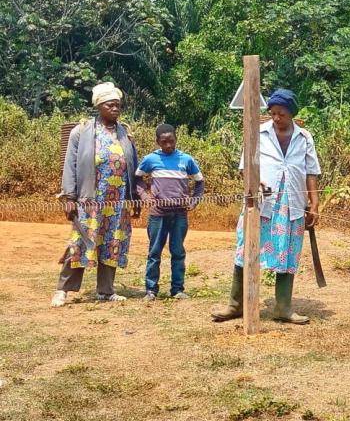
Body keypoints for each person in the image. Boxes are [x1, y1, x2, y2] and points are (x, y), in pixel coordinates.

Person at [211, 88, 321, 324]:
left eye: (281, 113)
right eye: (272, 113)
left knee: (288, 253)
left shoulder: (305, 137)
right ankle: (236, 304)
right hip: (260, 203)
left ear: (291, 113)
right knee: (246, 249)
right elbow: (244, 167)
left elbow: (311, 171)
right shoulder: (258, 134)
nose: (276, 118)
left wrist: (315, 202)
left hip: (292, 203)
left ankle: (283, 307)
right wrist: (255, 180)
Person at [51, 82, 139, 307]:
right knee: (81, 242)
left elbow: (133, 167)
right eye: (111, 105)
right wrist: (69, 198)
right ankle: (63, 290)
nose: (116, 109)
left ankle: (106, 291)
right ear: (99, 106)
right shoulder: (81, 132)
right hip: (90, 201)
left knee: (113, 243)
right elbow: (69, 165)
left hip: (118, 203)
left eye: (118, 105)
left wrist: (135, 198)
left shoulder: (124, 133)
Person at [135, 124, 205, 300]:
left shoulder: (186, 159)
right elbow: (137, 179)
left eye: (171, 141)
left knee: (178, 252)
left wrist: (194, 200)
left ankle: (177, 290)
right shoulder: (151, 159)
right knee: (154, 253)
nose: (168, 145)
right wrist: (145, 196)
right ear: (157, 141)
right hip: (158, 214)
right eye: (164, 142)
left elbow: (200, 182)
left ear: (176, 139)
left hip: (179, 214)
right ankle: (151, 290)